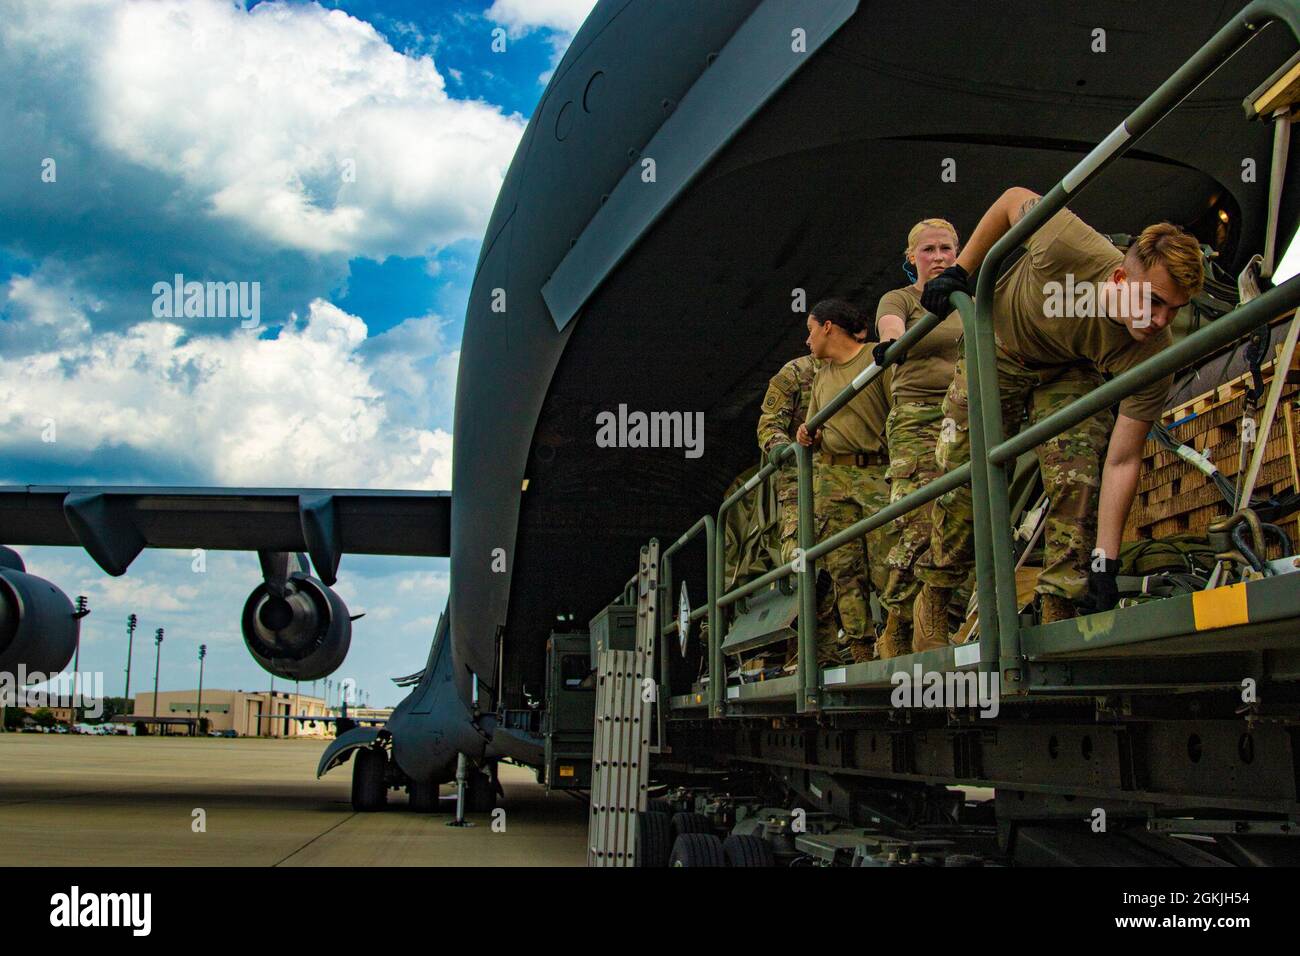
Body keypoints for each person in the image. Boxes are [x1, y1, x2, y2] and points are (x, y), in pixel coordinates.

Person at [912, 188, 1205, 650]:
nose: (1158, 320)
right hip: (1001, 347)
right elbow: (1011, 200)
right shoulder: (1068, 245)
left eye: (1174, 309)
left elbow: (1122, 459)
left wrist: (1106, 560)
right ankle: (935, 592)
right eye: (1151, 301)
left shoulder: (1153, 352)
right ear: (1119, 278)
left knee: (1078, 467)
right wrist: (961, 270)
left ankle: (1059, 599)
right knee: (963, 476)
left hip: (1071, 368)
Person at [871, 218, 966, 659]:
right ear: (912, 258)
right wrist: (891, 342)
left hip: (965, 413)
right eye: (928, 250)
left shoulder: (969, 295)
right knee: (919, 524)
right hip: (917, 418)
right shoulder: (902, 298)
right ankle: (897, 619)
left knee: (962, 518)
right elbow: (890, 328)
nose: (939, 257)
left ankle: (933, 610)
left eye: (946, 248)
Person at [795, 298, 895, 665]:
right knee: (844, 568)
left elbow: (896, 412)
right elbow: (815, 426)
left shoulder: (876, 358)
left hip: (874, 470)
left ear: (827, 327)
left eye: (810, 331)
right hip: (833, 477)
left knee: (888, 561)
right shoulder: (822, 375)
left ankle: (896, 634)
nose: (807, 342)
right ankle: (860, 648)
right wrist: (809, 435)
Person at [757, 351, 820, 565]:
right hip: (801, 480)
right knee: (799, 556)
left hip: (849, 477)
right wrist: (779, 447)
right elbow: (769, 423)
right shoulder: (797, 371)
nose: (809, 340)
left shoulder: (860, 366)